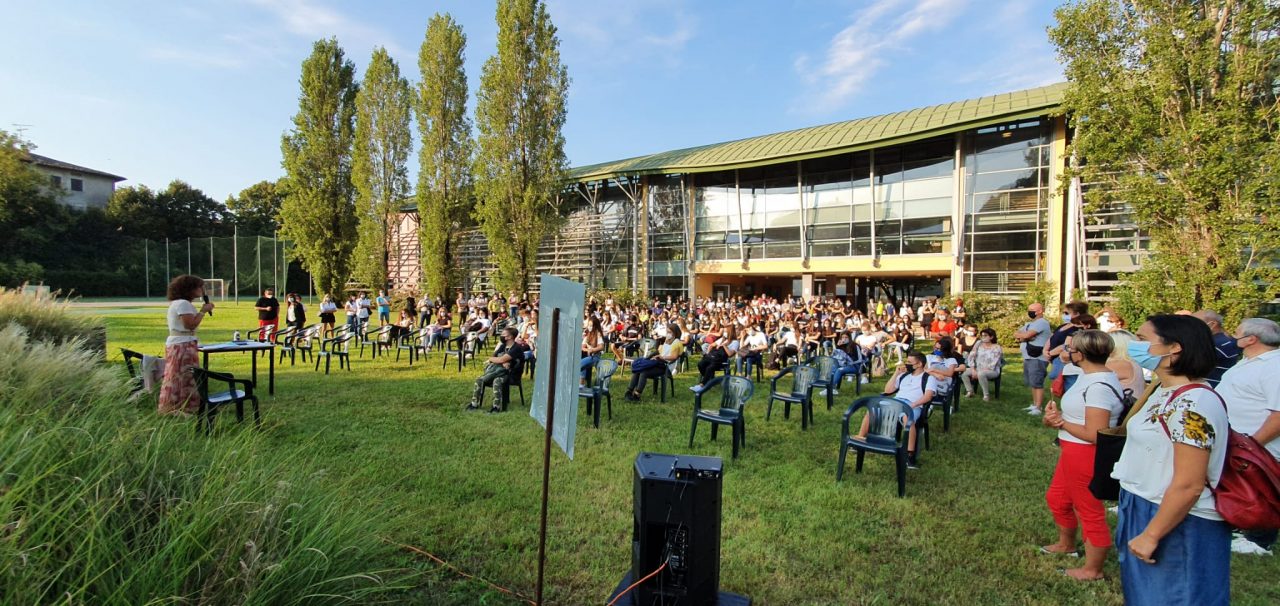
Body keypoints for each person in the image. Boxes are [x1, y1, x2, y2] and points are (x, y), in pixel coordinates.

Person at [1112, 315, 1230, 605]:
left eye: (1143, 339)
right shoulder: (1162, 390)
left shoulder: (1193, 404)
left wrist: (1152, 534)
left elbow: (1190, 484)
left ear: (1174, 348)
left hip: (1177, 518)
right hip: (1144, 503)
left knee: (1176, 596)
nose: (1135, 345)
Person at [1040, 330, 1125, 581]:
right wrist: (1058, 419)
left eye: (1070, 349)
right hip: (1072, 450)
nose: (1066, 352)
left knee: (1088, 509)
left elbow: (1096, 433)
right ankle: (1066, 544)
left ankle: (1092, 569)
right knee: (1058, 498)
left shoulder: (1099, 386)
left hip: (1085, 453)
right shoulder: (1089, 376)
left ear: (1081, 354)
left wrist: (1060, 422)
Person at [1216, 317, 1280, 552]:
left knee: (1259, 490)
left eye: (1237, 333)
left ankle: (1260, 541)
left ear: (1251, 339)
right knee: (1242, 491)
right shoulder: (1248, 361)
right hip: (1240, 442)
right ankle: (1242, 528)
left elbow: (1278, 414)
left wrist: (1253, 446)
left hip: (1258, 447)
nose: (1232, 336)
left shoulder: (1274, 366)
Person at [854, 351, 940, 470]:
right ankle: (860, 439)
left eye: (909, 362)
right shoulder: (904, 376)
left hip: (913, 404)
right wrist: (896, 373)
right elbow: (888, 390)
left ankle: (909, 454)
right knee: (872, 411)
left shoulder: (929, 378)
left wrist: (913, 405)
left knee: (907, 419)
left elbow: (928, 396)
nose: (906, 364)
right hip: (896, 402)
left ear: (919, 364)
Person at [159, 275, 214, 415]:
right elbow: (190, 325)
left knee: (178, 375)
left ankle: (176, 406)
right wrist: (203, 311)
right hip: (182, 344)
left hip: (181, 342)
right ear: (189, 289)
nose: (202, 290)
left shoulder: (179, 303)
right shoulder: (183, 304)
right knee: (184, 376)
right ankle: (182, 407)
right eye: (199, 287)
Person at [465, 326, 528, 413]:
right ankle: (474, 404)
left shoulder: (516, 348)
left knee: (497, 381)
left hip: (511, 375)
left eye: (503, 334)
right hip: (498, 371)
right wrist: (500, 361)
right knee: (479, 380)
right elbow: (494, 357)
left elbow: (498, 359)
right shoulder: (503, 346)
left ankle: (496, 407)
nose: (501, 335)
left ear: (510, 337)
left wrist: (497, 360)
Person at [624, 325, 684, 401]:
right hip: (659, 363)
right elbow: (660, 351)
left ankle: (637, 395)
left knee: (644, 371)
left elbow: (674, 357)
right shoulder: (668, 340)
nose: (667, 334)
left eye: (669, 332)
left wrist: (662, 357)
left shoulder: (677, 342)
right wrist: (650, 357)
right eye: (667, 332)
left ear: (675, 333)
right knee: (640, 368)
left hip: (666, 366)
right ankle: (629, 391)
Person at [1014, 302, 1052, 415]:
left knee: (1037, 382)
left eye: (1032, 310)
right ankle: (1035, 404)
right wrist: (1025, 337)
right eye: (1029, 309)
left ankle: (1038, 407)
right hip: (1029, 357)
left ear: (1040, 311)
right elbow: (1016, 334)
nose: (1029, 312)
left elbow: (1025, 335)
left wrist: (1025, 336)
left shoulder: (1042, 323)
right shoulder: (1030, 324)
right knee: (1032, 382)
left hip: (1038, 358)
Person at [1192, 309, 1241, 387]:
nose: (1190, 326)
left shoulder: (1217, 344)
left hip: (1208, 388)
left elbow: (1189, 365)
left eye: (1194, 322)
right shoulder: (1224, 340)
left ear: (1213, 324)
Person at [962, 328, 1003, 401]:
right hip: (978, 368)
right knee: (964, 372)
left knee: (981, 374)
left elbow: (994, 362)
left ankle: (986, 395)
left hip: (992, 370)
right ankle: (970, 391)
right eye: (982, 335)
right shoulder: (978, 344)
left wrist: (979, 371)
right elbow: (971, 356)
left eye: (985, 335)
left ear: (991, 337)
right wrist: (973, 369)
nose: (983, 337)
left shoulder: (997, 347)